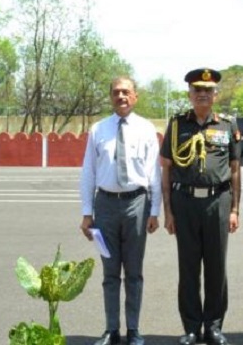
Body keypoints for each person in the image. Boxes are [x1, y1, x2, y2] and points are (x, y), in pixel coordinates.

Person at [160, 68, 242, 345]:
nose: (203, 94)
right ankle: (192, 327)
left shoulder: (227, 125)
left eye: (208, 90)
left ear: (215, 94)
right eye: (198, 90)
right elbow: (166, 171)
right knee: (189, 268)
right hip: (184, 204)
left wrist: (234, 210)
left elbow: (234, 170)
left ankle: (214, 326)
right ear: (189, 94)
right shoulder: (176, 124)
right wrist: (168, 211)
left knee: (217, 268)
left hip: (218, 202)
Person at [79, 76, 162, 345]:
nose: (121, 96)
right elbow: (88, 173)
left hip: (136, 206)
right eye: (116, 92)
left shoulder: (147, 129)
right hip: (104, 208)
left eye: (126, 92)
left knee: (134, 272)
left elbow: (154, 174)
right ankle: (111, 329)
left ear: (135, 96)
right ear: (110, 97)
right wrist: (86, 213)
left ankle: (134, 329)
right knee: (110, 271)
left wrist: (154, 211)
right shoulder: (98, 130)